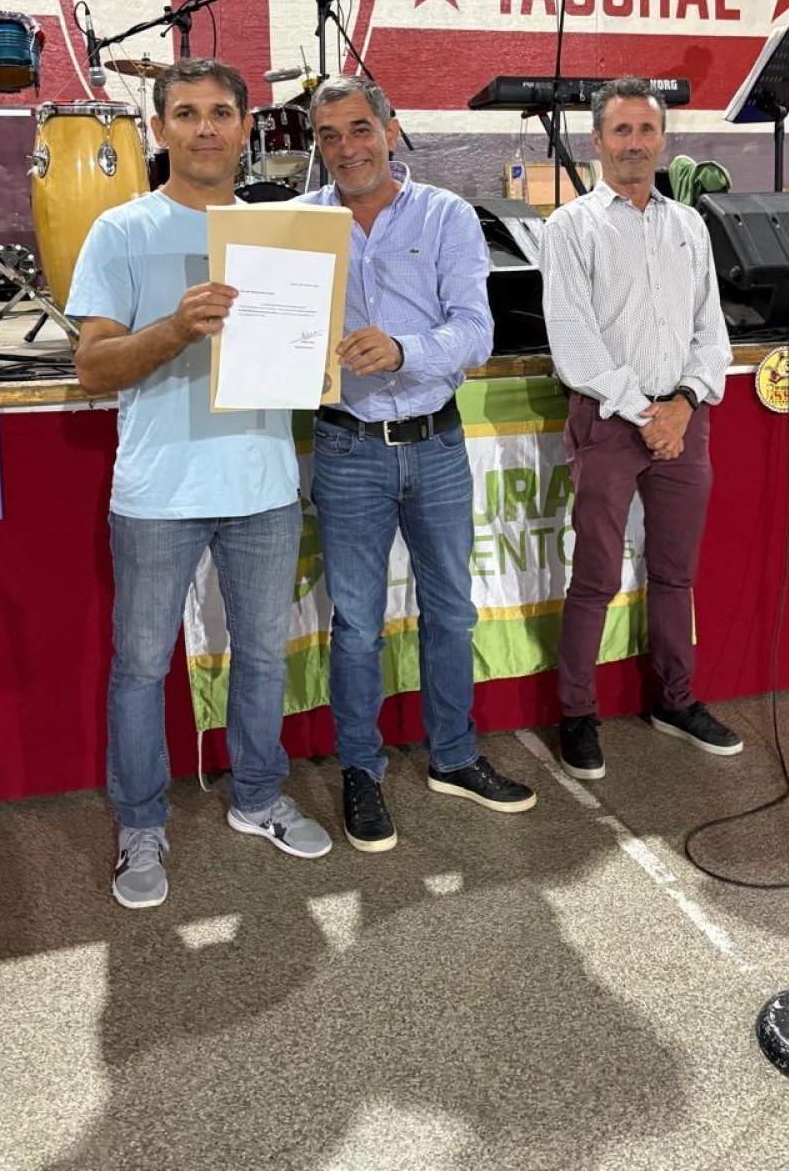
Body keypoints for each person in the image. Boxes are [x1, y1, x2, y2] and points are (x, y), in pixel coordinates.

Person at [67, 57, 332, 909]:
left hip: (260, 484)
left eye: (222, 112)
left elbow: (311, 351)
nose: (205, 128)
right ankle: (140, 823)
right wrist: (176, 328)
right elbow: (92, 368)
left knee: (262, 656)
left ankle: (256, 797)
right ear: (160, 127)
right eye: (186, 113)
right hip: (158, 493)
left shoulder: (281, 232)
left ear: (248, 126)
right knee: (142, 666)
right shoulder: (121, 232)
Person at [298, 75, 536, 852]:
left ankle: (455, 757)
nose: (347, 148)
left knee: (452, 611)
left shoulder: (446, 215)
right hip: (346, 446)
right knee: (358, 625)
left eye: (360, 129)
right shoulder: (295, 228)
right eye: (329, 135)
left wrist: (404, 349)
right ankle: (360, 773)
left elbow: (476, 332)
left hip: (435, 444)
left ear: (391, 129)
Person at [538, 75, 739, 780]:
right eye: (620, 131)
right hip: (609, 421)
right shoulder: (570, 227)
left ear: (663, 139)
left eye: (646, 130)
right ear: (596, 142)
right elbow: (573, 338)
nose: (634, 144)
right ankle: (577, 713)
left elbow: (711, 331)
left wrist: (683, 401)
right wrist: (643, 411)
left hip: (685, 421)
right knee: (593, 578)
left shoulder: (688, 225)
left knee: (675, 575)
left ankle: (675, 702)